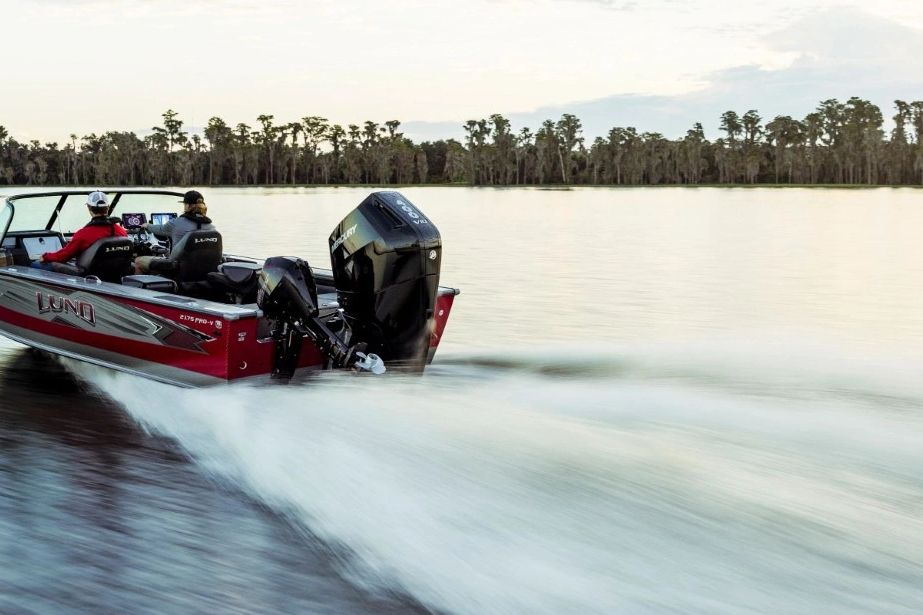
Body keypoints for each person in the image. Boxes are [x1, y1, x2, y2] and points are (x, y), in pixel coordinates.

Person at [33, 190, 127, 269]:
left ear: (89, 208)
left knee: (35, 264)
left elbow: (63, 256)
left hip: (90, 276)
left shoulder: (83, 234)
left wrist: (45, 256)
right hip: (115, 274)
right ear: (108, 207)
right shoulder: (121, 231)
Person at [134, 189, 216, 274]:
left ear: (188, 205)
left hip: (179, 268)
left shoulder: (176, 223)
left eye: (184, 204)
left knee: (138, 261)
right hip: (204, 269)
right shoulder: (212, 227)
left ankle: (138, 287)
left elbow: (160, 229)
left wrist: (147, 226)